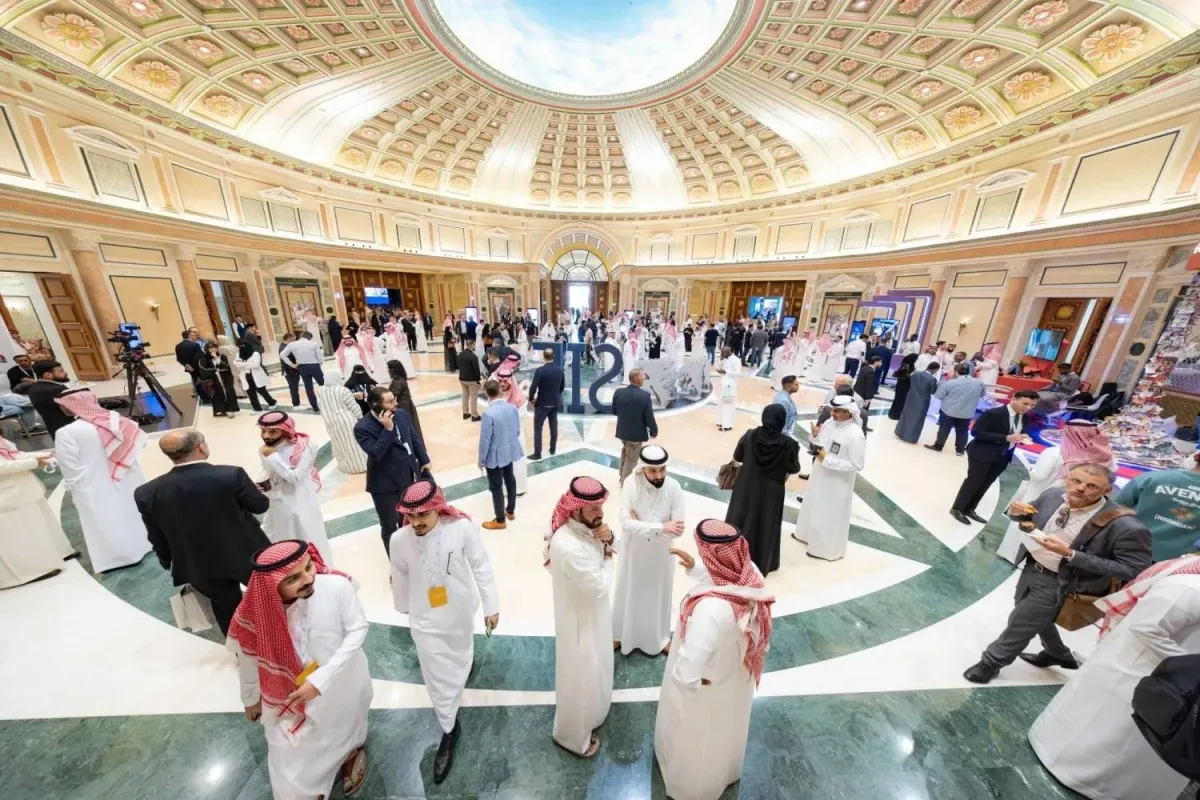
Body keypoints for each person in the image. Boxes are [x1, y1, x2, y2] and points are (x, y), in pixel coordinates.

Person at [1028, 553, 1200, 800]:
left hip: (1159, 676)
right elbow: (1147, 627)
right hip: (1141, 674)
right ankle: (1083, 778)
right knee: (1111, 740)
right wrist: (1188, 668)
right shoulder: (1191, 588)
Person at [963, 463, 1152, 685]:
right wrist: (1016, 513)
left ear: (1108, 490)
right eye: (1076, 481)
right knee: (1030, 613)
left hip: (1064, 582)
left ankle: (991, 663)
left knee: (1022, 621)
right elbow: (1028, 517)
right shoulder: (1053, 495)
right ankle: (1058, 653)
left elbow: (1133, 569)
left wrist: (1071, 554)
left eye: (1092, 486)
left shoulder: (1124, 525)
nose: (1080, 488)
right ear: (1067, 478)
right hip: (1032, 566)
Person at [229, 540, 371, 799]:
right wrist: (250, 698)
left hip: (343, 680)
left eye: (308, 567)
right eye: (293, 578)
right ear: (272, 586)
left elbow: (358, 629)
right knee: (288, 752)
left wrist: (321, 680)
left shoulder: (336, 586)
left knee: (345, 725)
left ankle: (350, 754)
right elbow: (248, 659)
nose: (308, 579)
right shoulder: (256, 612)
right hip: (287, 692)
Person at [655, 519, 774, 800]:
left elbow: (687, 674)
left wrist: (686, 687)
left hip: (704, 690)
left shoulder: (709, 611)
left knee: (699, 746)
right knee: (725, 732)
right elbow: (723, 578)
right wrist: (695, 567)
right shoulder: (750, 575)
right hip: (733, 677)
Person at [388, 480, 498, 783]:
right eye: (411, 516)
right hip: (424, 619)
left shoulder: (461, 528)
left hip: (460, 611)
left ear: (438, 508)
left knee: (462, 650)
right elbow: (400, 578)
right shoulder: (398, 540)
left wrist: (491, 605)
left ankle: (464, 666)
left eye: (423, 514)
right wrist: (404, 607)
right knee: (436, 676)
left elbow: (481, 566)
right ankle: (449, 728)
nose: (416, 522)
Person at [135, 429, 271, 634]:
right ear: (200, 447)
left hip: (197, 563)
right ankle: (277, 638)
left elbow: (156, 536)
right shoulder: (231, 475)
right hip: (247, 553)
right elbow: (260, 506)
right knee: (269, 597)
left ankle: (239, 647)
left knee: (226, 608)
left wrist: (169, 562)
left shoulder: (146, 492)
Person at [546, 477, 615, 758]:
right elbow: (599, 587)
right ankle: (572, 738)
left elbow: (604, 543)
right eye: (593, 508)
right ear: (575, 508)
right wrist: (609, 556)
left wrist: (609, 539)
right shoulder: (569, 546)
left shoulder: (584, 528)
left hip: (591, 615)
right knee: (580, 678)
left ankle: (594, 714)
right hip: (579, 623)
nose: (600, 513)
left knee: (595, 670)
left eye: (601, 506)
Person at [53, 388, 151, 572]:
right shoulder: (117, 420)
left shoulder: (67, 433)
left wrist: (76, 490)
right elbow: (140, 445)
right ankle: (146, 544)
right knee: (133, 513)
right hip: (128, 477)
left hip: (92, 485)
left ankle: (119, 558)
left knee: (106, 520)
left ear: (71, 406)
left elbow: (70, 468)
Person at [997, 420, 1116, 563]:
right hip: (1082, 506)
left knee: (1028, 522)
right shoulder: (1106, 456)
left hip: (1043, 494)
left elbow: (1039, 475)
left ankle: (1015, 557)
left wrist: (1031, 469)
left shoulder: (1055, 452)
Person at [613, 445, 688, 657]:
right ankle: (620, 634)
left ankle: (659, 638)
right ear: (643, 468)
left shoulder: (674, 488)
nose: (659, 475)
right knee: (628, 592)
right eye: (653, 471)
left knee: (657, 597)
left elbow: (677, 530)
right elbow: (625, 523)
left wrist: (642, 524)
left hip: (660, 555)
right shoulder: (631, 483)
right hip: (633, 553)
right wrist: (661, 526)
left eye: (662, 469)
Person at [726, 404, 801, 576]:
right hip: (772, 491)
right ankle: (761, 562)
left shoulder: (750, 435)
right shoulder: (789, 444)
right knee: (766, 524)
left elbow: (738, 456)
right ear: (782, 420)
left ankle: (733, 557)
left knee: (741, 518)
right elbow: (794, 468)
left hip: (747, 486)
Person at [354, 386, 430, 554]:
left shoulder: (401, 414)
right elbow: (375, 453)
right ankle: (396, 562)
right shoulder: (362, 427)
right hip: (384, 485)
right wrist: (388, 430)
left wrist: (424, 459)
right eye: (390, 402)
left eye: (394, 399)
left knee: (409, 519)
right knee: (390, 526)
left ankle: (413, 554)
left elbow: (413, 437)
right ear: (376, 406)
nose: (395, 403)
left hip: (407, 476)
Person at [793, 396, 867, 562]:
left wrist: (827, 460)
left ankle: (822, 549)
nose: (832, 413)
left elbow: (857, 464)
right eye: (833, 409)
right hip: (819, 474)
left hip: (836, 483)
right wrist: (814, 437)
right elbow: (820, 444)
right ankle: (806, 536)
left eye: (837, 411)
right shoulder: (829, 423)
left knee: (827, 513)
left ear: (849, 412)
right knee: (812, 506)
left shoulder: (855, 435)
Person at [949, 390, 1039, 525]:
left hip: (1004, 455)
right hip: (982, 453)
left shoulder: (1023, 417)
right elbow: (976, 432)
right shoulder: (994, 413)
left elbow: (1016, 431)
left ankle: (970, 509)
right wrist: (1005, 438)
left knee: (986, 483)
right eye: (1025, 403)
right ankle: (957, 509)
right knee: (974, 482)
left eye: (1032, 405)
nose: (1028, 408)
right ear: (1014, 399)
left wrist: (1022, 437)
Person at [257, 411, 331, 563]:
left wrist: (273, 457)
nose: (266, 436)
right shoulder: (265, 449)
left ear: (284, 430)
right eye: (263, 431)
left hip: (300, 502)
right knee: (281, 540)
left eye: (272, 431)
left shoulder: (304, 447)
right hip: (277, 503)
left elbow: (293, 477)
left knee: (306, 539)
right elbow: (268, 470)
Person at [0, 435, 73, 588]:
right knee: (20, 535)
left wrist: (43, 455)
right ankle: (30, 572)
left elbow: (15, 454)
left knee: (39, 527)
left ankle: (55, 556)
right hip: (8, 496)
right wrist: (34, 462)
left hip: (23, 488)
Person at [1116, 450, 1200, 562]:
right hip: (1174, 562)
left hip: (1126, 548)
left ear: (1196, 457)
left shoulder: (1152, 478)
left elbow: (1115, 509)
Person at [478, 379, 522, 530]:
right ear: (499, 390)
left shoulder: (488, 413)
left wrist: (481, 459)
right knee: (510, 479)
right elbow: (517, 430)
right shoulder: (512, 408)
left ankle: (500, 520)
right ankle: (510, 511)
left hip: (494, 456)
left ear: (486, 393)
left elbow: (485, 440)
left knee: (496, 487)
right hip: (509, 450)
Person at [314, 368, 367, 475]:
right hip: (347, 421)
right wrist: (360, 417)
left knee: (341, 444)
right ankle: (361, 465)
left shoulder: (320, 391)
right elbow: (354, 407)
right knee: (354, 445)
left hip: (330, 421)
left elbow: (323, 404)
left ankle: (347, 466)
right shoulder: (343, 390)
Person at [925, 363, 986, 455]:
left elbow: (938, 395)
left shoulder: (949, 383)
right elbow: (982, 394)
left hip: (949, 411)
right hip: (967, 412)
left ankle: (938, 446)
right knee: (963, 430)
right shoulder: (979, 383)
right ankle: (960, 450)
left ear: (956, 372)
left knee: (944, 429)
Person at [612, 369, 658, 485]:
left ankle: (621, 476)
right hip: (636, 435)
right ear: (638, 380)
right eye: (643, 377)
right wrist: (654, 430)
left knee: (625, 452)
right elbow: (649, 417)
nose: (644, 379)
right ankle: (626, 483)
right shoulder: (644, 395)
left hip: (622, 431)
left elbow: (614, 411)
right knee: (631, 460)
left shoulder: (618, 392)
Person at [528, 348, 564, 460]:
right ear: (553, 356)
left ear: (543, 356)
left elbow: (533, 387)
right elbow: (562, 387)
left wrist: (531, 399)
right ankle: (552, 449)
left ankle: (537, 453)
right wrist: (555, 396)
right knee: (553, 427)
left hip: (542, 404)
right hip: (554, 403)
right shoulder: (560, 370)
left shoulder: (540, 371)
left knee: (538, 428)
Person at [894, 361, 939, 444]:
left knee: (906, 415)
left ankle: (900, 432)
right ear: (935, 369)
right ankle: (910, 437)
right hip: (922, 401)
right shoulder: (932, 379)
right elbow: (933, 391)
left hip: (910, 398)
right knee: (917, 419)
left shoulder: (915, 373)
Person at [280, 332, 325, 412]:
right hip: (314, 366)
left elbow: (282, 355)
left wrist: (291, 364)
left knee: (308, 388)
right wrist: (319, 364)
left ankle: (315, 407)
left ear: (301, 336)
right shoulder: (313, 343)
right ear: (309, 338)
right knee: (323, 385)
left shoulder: (292, 344)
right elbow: (320, 357)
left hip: (302, 367)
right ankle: (328, 402)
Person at [26, 360, 72, 439]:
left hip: (54, 428)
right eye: (61, 371)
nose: (65, 373)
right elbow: (72, 410)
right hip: (69, 427)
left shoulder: (33, 388)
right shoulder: (56, 389)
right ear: (48, 374)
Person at [197, 340, 240, 417]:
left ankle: (231, 409)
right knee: (218, 394)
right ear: (207, 349)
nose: (213, 349)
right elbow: (203, 369)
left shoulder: (222, 356)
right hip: (214, 379)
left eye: (215, 347)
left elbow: (226, 366)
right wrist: (215, 369)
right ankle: (221, 410)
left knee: (229, 392)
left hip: (225, 378)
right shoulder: (203, 358)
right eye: (211, 348)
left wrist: (217, 358)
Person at [386, 359, 423, 442]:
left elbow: (392, 395)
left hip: (403, 406)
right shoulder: (400, 379)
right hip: (406, 405)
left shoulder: (397, 381)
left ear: (392, 369)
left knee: (406, 426)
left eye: (388, 368)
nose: (387, 371)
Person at [236, 340, 277, 412]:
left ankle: (272, 403)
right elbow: (236, 364)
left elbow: (255, 365)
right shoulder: (238, 354)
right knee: (251, 394)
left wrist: (243, 364)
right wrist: (248, 364)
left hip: (256, 376)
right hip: (246, 377)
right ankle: (257, 408)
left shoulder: (255, 354)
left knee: (262, 391)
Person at [852, 355, 880, 435]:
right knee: (864, 411)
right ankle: (863, 426)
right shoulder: (871, 371)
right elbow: (869, 386)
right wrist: (868, 398)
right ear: (876, 362)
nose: (881, 363)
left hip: (858, 392)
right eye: (880, 362)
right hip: (864, 395)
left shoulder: (864, 368)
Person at [715, 347, 741, 432]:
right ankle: (720, 421)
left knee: (727, 404)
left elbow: (738, 373)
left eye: (723, 353)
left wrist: (726, 372)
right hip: (723, 383)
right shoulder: (725, 359)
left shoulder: (736, 360)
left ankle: (727, 425)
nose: (722, 355)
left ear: (728, 352)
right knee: (721, 403)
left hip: (730, 385)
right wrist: (720, 360)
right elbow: (718, 366)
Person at [456, 336, 482, 421]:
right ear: (472, 345)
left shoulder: (460, 354)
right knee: (473, 397)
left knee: (465, 395)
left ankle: (465, 413)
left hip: (462, 378)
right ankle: (474, 415)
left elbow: (458, 366)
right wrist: (478, 380)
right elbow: (476, 370)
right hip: (471, 380)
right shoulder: (473, 356)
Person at [888, 354, 919, 421]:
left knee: (900, 400)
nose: (917, 360)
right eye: (916, 359)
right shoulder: (906, 365)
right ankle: (895, 415)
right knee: (900, 400)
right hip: (903, 385)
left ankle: (895, 414)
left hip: (904, 385)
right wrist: (912, 374)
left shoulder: (909, 364)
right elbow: (902, 375)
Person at [175, 328, 203, 396]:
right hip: (198, 367)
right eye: (194, 335)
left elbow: (178, 359)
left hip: (189, 368)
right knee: (202, 382)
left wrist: (186, 365)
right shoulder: (195, 345)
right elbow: (199, 357)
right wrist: (193, 366)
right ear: (190, 336)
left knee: (195, 381)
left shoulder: (178, 346)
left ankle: (199, 394)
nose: (195, 336)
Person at [772, 375, 800, 439]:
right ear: (789, 387)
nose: (798, 386)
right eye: (796, 384)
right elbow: (781, 423)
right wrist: (784, 439)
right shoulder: (783, 401)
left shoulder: (785, 396)